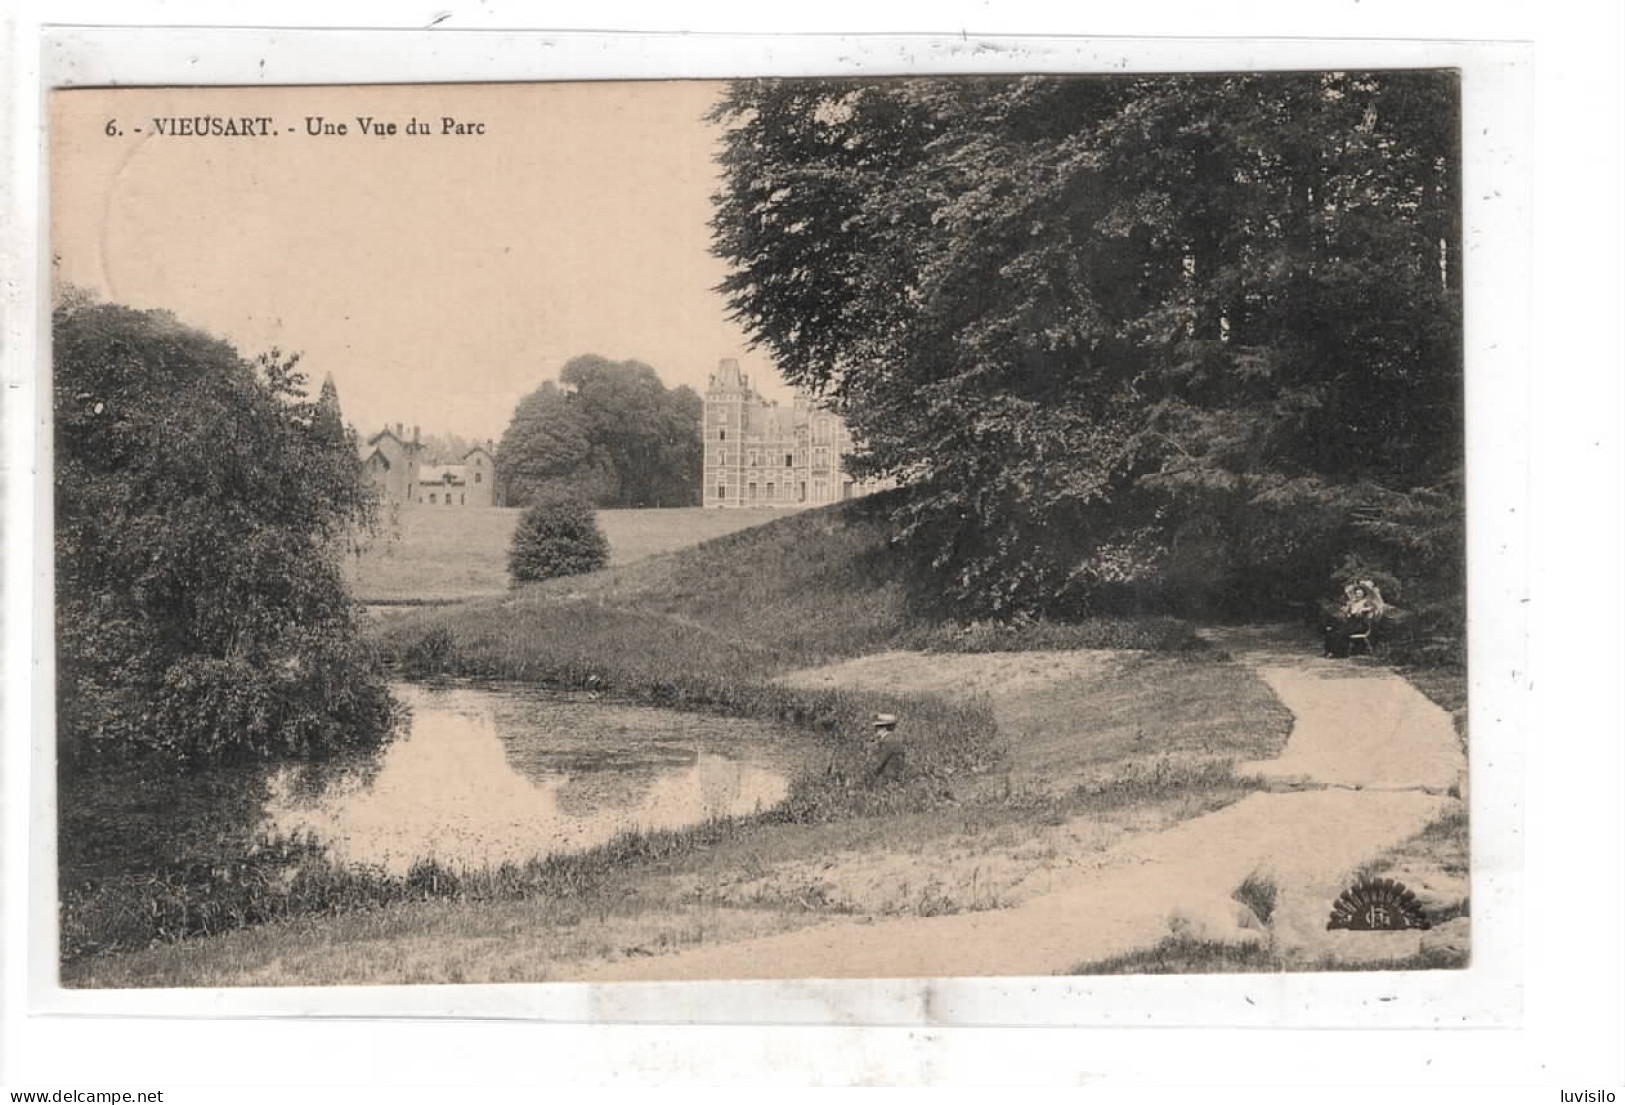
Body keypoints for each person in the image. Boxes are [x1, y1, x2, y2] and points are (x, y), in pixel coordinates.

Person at [1322, 578, 1387, 658]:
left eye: (1360, 594)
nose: (1358, 595)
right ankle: (1330, 651)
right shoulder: (1353, 602)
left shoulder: (1366, 601)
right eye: (1357, 594)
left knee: (1342, 632)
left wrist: (1364, 609)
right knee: (1333, 630)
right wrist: (1346, 610)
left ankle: (1339, 653)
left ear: (1363, 594)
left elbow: (1374, 608)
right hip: (1351, 623)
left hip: (1360, 624)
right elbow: (1348, 612)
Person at [871, 713, 906, 780]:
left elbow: (879, 764)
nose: (875, 730)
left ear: (884, 728)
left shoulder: (889, 741)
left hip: (888, 780)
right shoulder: (893, 740)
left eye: (878, 727)